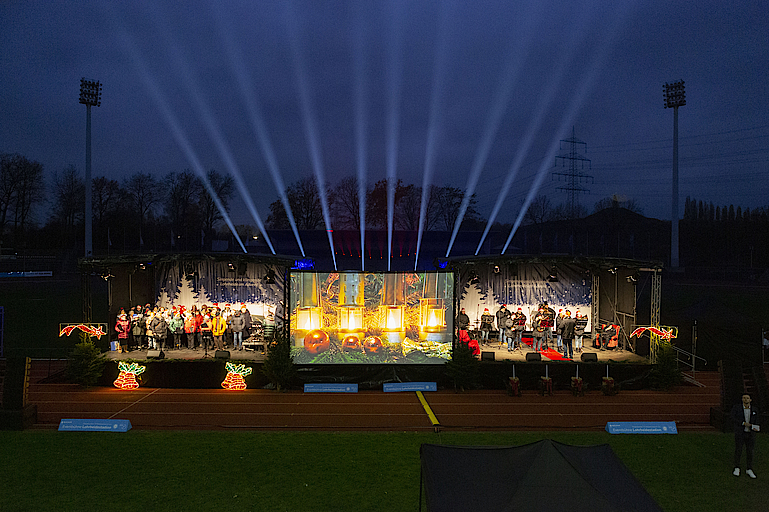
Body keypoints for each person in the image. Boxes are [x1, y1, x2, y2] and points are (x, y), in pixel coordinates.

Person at [731, 393, 760, 478]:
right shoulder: (737, 408)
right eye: (744, 398)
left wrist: (754, 427)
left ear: (750, 400)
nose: (745, 399)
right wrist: (743, 423)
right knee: (738, 450)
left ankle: (749, 468)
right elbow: (732, 417)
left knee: (750, 451)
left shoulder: (754, 409)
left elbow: (757, 420)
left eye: (747, 398)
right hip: (740, 433)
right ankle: (737, 467)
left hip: (750, 434)